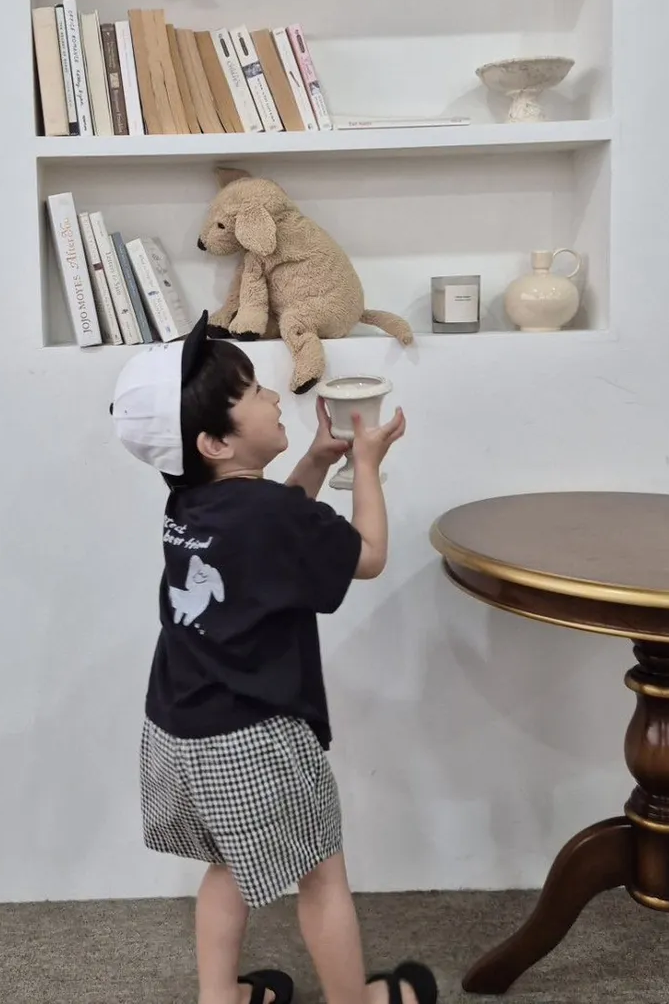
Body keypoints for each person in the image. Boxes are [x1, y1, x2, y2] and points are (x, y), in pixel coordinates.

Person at [110, 312, 436, 1004]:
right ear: (214, 441)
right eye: (253, 391)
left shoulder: (188, 503)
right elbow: (368, 556)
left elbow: (269, 525)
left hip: (178, 726)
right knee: (321, 875)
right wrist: (366, 466)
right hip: (253, 735)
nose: (272, 395)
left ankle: (219, 998)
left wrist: (315, 459)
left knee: (228, 867)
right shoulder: (267, 514)